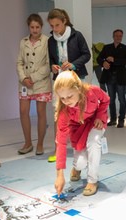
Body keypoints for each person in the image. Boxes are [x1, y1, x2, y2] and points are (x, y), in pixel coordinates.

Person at [53, 71, 109, 197]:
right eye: (62, 98)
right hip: (78, 129)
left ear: (78, 89)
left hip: (95, 122)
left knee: (94, 142)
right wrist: (60, 175)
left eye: (69, 96)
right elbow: (61, 143)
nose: (66, 101)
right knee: (80, 162)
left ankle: (92, 181)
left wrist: (100, 116)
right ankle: (76, 168)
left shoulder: (93, 91)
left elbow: (106, 100)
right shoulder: (64, 111)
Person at [47, 8, 91, 163]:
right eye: (52, 26)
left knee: (81, 113)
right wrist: (53, 66)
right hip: (60, 81)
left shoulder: (76, 35)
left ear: (64, 21)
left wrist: (73, 64)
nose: (54, 29)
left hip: (78, 79)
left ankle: (82, 147)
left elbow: (87, 54)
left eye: (57, 25)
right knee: (59, 113)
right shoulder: (51, 40)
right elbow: (51, 59)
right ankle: (58, 148)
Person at [16, 14, 52, 156]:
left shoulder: (47, 42)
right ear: (28, 27)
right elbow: (19, 62)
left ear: (41, 27)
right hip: (25, 84)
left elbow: (48, 65)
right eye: (32, 27)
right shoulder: (22, 42)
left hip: (41, 83)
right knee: (23, 111)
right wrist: (24, 78)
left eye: (37, 27)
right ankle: (28, 143)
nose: (35, 30)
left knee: (40, 113)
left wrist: (33, 77)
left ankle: (40, 144)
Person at [97, 29, 126, 128]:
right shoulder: (107, 47)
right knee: (111, 100)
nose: (118, 37)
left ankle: (121, 120)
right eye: (116, 36)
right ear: (113, 36)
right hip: (109, 77)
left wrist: (114, 60)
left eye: (120, 36)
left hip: (120, 77)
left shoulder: (125, 48)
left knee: (122, 99)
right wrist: (103, 63)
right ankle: (112, 119)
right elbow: (99, 58)